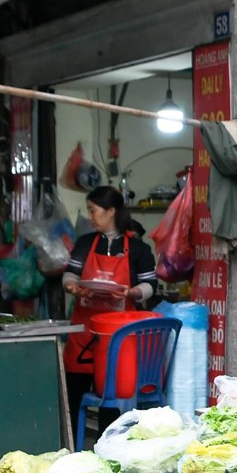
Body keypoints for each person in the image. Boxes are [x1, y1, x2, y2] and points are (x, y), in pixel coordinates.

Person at [60, 185, 158, 433]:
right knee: (73, 396)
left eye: (93, 211)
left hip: (117, 339)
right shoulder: (85, 243)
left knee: (111, 403)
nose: (90, 217)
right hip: (83, 335)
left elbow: (150, 286)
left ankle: (108, 449)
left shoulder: (138, 249)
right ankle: (71, 447)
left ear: (111, 210)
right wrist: (73, 287)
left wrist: (131, 292)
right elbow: (69, 276)